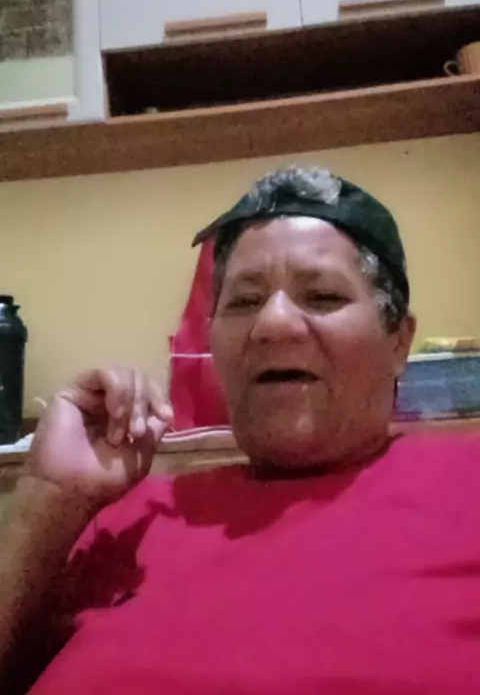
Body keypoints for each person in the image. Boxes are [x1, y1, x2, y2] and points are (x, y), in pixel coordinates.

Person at [1, 166, 479, 695]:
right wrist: (49, 494)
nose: (272, 324)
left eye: (322, 296)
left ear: (398, 341)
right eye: (244, 301)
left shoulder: (467, 484)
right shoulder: (129, 517)